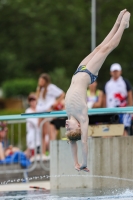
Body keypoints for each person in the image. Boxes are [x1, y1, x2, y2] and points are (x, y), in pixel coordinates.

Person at [65, 10, 130, 172]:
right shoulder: (82, 116)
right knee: (107, 48)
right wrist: (85, 162)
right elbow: (83, 142)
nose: (66, 125)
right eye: (70, 127)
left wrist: (76, 163)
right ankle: (123, 25)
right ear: (79, 126)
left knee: (99, 47)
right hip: (88, 74)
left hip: (78, 71)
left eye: (66, 128)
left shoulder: (70, 116)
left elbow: (72, 142)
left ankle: (116, 22)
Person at [36, 73, 65, 154]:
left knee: (50, 133)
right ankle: (43, 153)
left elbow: (62, 94)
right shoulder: (40, 89)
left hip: (48, 113)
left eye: (42, 80)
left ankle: (53, 152)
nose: (40, 82)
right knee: (42, 134)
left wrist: (55, 103)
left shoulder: (50, 87)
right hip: (40, 113)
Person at [103, 63, 133, 136]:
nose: (115, 73)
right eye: (114, 71)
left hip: (123, 111)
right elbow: (104, 97)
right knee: (109, 130)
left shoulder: (125, 82)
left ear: (120, 71)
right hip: (110, 111)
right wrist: (104, 110)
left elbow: (129, 95)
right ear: (111, 72)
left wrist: (130, 109)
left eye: (117, 71)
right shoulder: (107, 84)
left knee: (123, 129)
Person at [25, 93, 41, 158]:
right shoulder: (28, 111)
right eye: (31, 100)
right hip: (32, 135)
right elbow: (34, 123)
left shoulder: (40, 109)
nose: (33, 101)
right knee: (32, 154)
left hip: (40, 134)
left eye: (34, 99)